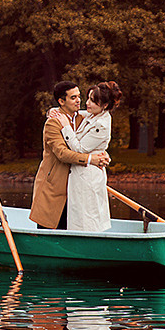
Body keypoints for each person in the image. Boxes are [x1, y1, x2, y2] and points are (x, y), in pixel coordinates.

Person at [30, 82, 102, 229]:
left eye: (79, 96)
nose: (78, 100)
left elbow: (96, 130)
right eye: (73, 97)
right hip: (52, 188)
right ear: (61, 102)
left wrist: (102, 154)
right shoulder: (52, 123)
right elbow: (62, 154)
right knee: (49, 233)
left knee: (71, 233)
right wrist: (90, 160)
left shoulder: (81, 120)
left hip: (75, 188)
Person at [65, 81, 120, 232]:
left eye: (93, 101)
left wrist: (65, 127)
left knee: (87, 213)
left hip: (88, 174)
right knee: (80, 212)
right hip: (83, 171)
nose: (87, 103)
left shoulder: (102, 124)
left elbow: (79, 148)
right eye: (88, 98)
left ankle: (87, 243)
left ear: (105, 105)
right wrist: (56, 111)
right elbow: (78, 113)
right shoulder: (94, 114)